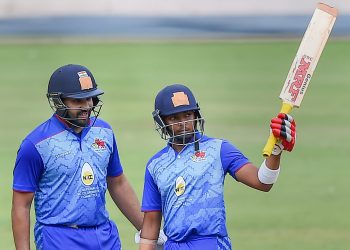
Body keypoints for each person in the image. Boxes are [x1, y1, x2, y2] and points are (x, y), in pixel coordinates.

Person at [139, 84, 296, 250]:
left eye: (187, 115)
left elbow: (263, 182)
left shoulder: (219, 149)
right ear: (162, 121)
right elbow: (150, 225)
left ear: (196, 114)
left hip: (212, 244)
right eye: (174, 118)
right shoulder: (155, 165)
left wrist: (276, 151)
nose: (183, 123)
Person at [11, 64, 144, 250]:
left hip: (104, 236)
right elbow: (21, 206)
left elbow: (118, 182)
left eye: (90, 98)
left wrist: (148, 232)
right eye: (78, 101)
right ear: (58, 101)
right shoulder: (35, 145)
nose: (87, 106)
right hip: (58, 238)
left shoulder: (104, 131)